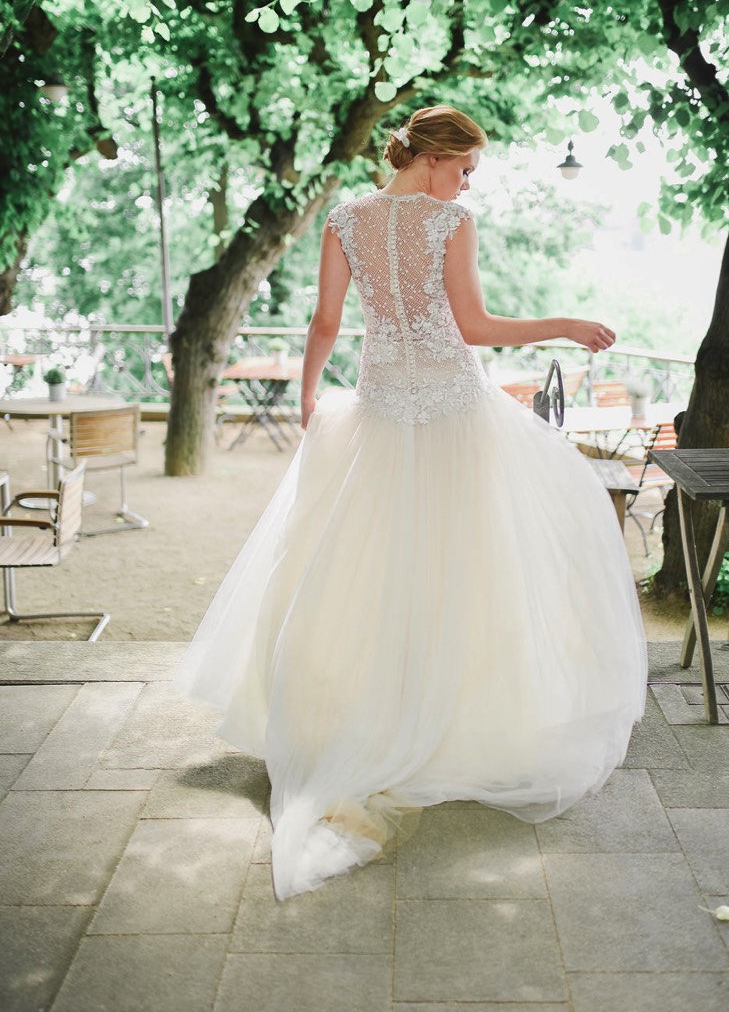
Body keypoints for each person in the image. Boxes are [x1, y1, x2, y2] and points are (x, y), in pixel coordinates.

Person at [173, 104, 647, 900]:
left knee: (366, 575)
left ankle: (361, 722)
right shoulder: (448, 221)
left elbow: (326, 321)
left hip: (380, 413)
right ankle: (451, 726)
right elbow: (476, 326)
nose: (468, 181)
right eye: (466, 166)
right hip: (454, 413)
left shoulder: (347, 218)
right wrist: (565, 323)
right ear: (435, 159)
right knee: (467, 569)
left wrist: (308, 397)